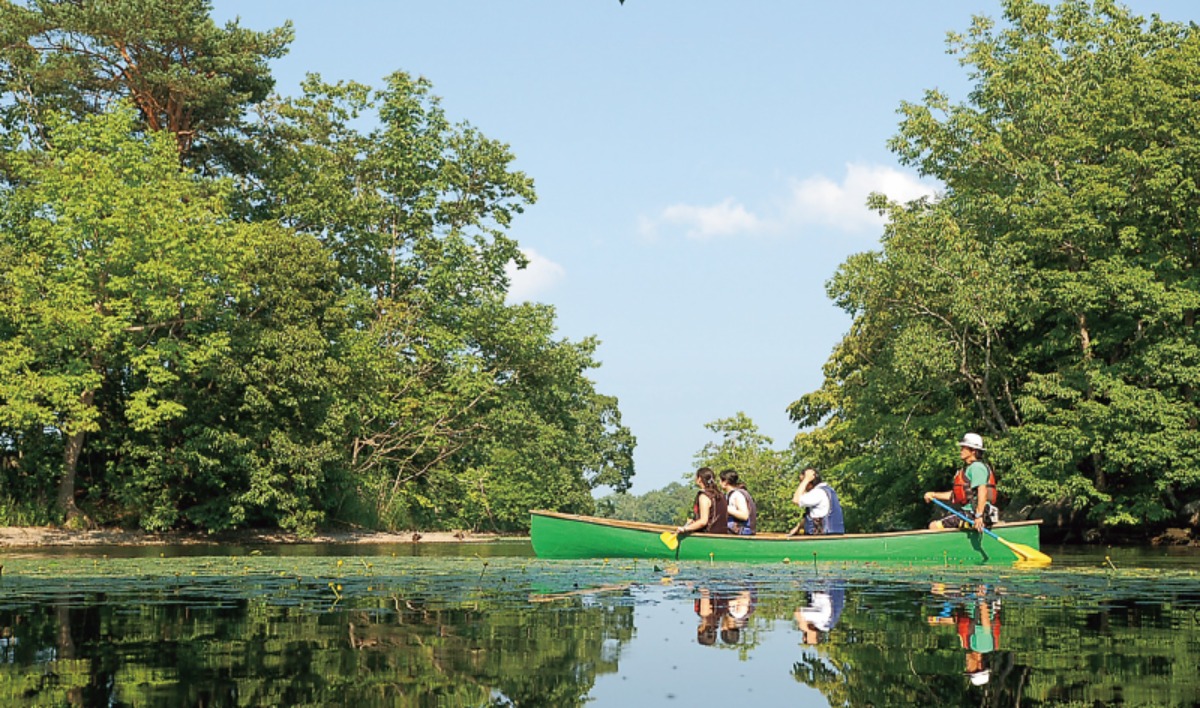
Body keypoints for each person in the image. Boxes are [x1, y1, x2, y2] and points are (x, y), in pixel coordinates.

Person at [923, 432, 999, 533]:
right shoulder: (969, 468)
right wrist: (933, 495)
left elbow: (982, 490)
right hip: (969, 513)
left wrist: (979, 516)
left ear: (973, 451)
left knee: (933, 526)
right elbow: (955, 495)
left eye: (964, 448)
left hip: (972, 514)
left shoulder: (977, 468)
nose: (961, 450)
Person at [787, 468, 845, 536]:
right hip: (834, 535)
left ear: (809, 482)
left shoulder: (818, 493)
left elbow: (795, 500)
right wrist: (798, 528)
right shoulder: (829, 490)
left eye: (801, 482)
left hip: (821, 537)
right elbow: (813, 515)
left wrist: (806, 479)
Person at [675, 467, 729, 536]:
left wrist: (685, 528)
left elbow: (703, 521)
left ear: (699, 479)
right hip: (723, 535)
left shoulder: (704, 496)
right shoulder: (721, 494)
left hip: (709, 535)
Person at [719, 468, 757, 535]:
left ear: (725, 482)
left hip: (742, 532)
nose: (719, 483)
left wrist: (726, 509)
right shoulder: (733, 494)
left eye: (720, 480)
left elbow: (744, 515)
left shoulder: (737, 495)